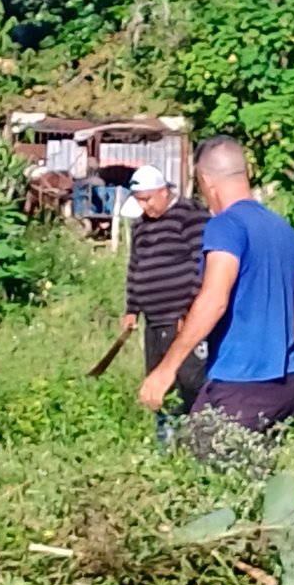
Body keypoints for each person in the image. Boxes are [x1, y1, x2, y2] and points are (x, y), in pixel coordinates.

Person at [138, 136, 294, 434]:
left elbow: (214, 299)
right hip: (287, 388)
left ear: (206, 181)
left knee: (205, 475)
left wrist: (166, 369)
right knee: (260, 478)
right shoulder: (283, 228)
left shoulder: (225, 225)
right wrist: (287, 358)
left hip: (239, 387)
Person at [123, 164, 209, 444]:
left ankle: (202, 438)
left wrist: (192, 311)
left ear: (163, 191)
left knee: (191, 380)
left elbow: (203, 262)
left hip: (182, 318)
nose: (144, 206)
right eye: (139, 200)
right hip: (154, 320)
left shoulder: (189, 215)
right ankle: (166, 443)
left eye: (148, 199)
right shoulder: (141, 227)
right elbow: (135, 268)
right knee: (158, 381)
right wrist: (131, 309)